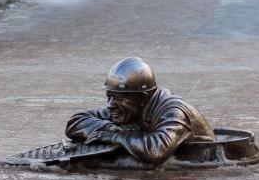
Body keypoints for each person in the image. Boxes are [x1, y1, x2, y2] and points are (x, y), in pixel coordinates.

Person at [65, 57, 216, 166]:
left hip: (200, 164)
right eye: (109, 97)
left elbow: (156, 150)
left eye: (118, 99)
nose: (111, 105)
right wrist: (108, 128)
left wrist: (115, 137)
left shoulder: (173, 112)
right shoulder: (128, 108)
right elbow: (76, 121)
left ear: (142, 98)